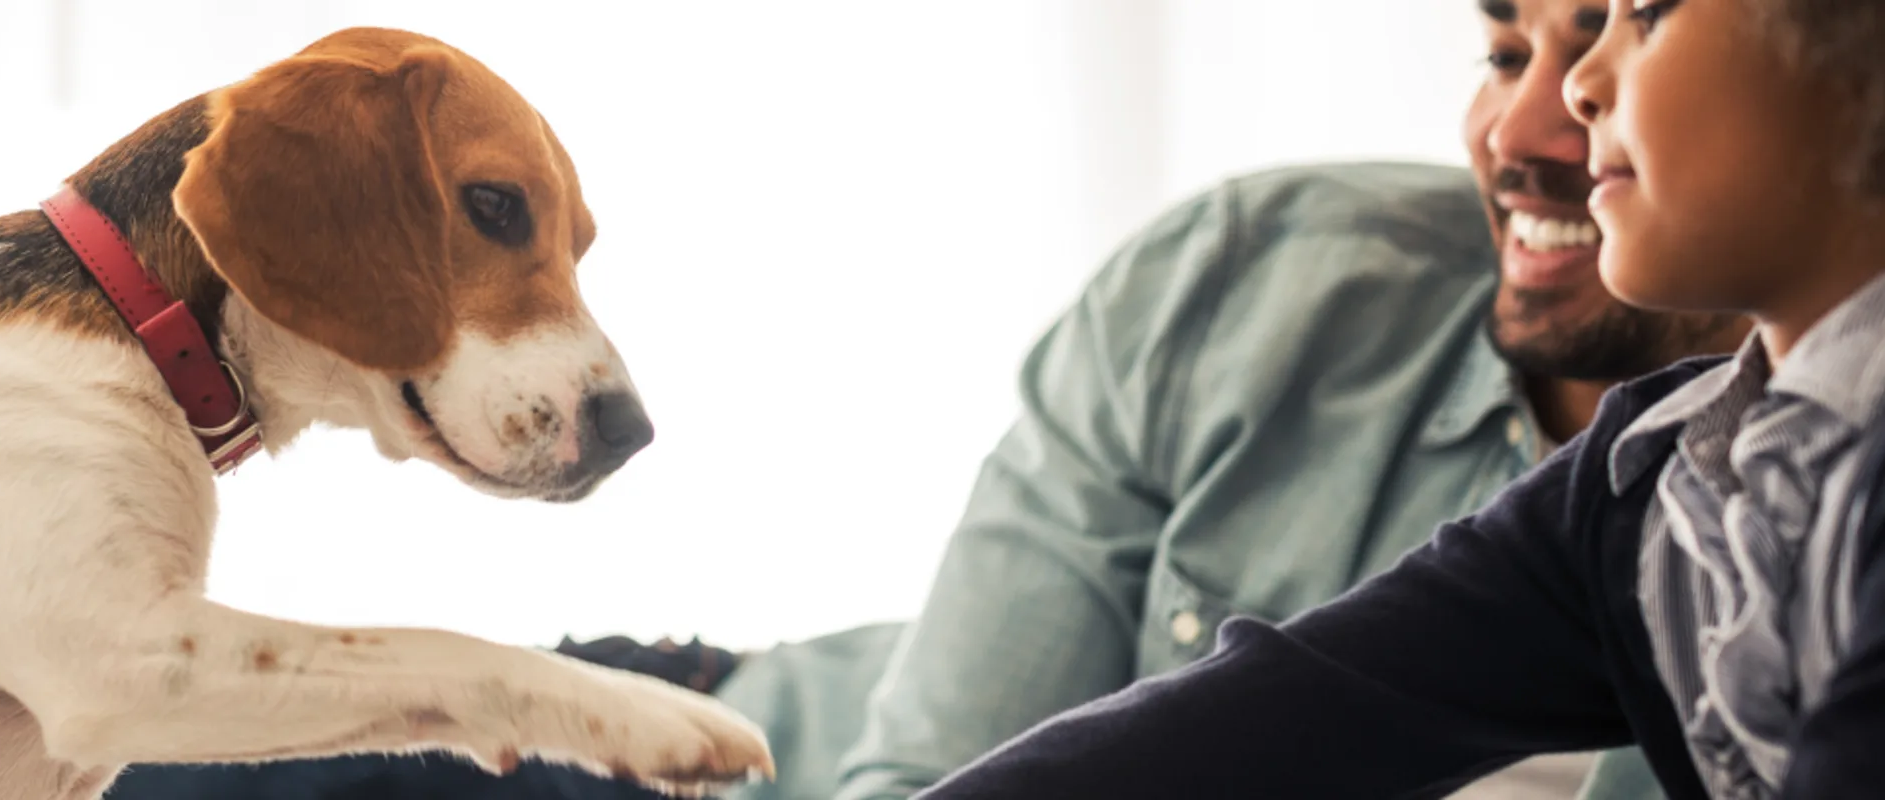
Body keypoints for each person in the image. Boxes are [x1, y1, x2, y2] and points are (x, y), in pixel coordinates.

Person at [729, 2, 1744, 799]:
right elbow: (932, 769)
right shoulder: (1251, 278)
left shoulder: (1764, 518)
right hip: (705, 747)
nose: (1521, 134)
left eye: (1632, 30)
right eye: (1503, 52)